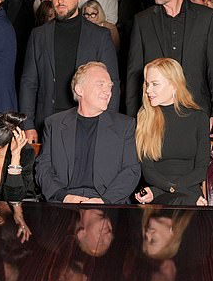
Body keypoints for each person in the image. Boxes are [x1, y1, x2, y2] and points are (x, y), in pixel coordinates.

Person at [19, 0, 119, 144]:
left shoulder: (100, 36)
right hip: (47, 123)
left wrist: (108, 125)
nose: (60, 1)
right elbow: (28, 83)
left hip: (88, 122)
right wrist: (28, 125)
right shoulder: (38, 35)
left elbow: (112, 83)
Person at [126, 0, 213, 139]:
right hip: (155, 119)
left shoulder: (205, 18)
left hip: (196, 115)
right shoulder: (143, 21)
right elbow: (134, 75)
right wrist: (133, 120)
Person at [35, 62, 140, 204]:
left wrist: (104, 201)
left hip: (108, 203)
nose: (108, 91)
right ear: (80, 90)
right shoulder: (54, 124)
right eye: (100, 84)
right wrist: (63, 196)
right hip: (64, 202)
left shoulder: (124, 126)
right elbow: (43, 167)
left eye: (110, 86)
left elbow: (131, 170)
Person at [134, 58, 209, 206]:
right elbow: (148, 171)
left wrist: (174, 190)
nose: (148, 90)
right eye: (147, 84)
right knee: (183, 203)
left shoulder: (199, 118)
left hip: (188, 189)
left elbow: (201, 170)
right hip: (159, 191)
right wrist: (166, 190)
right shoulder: (145, 118)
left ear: (175, 85)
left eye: (155, 84)